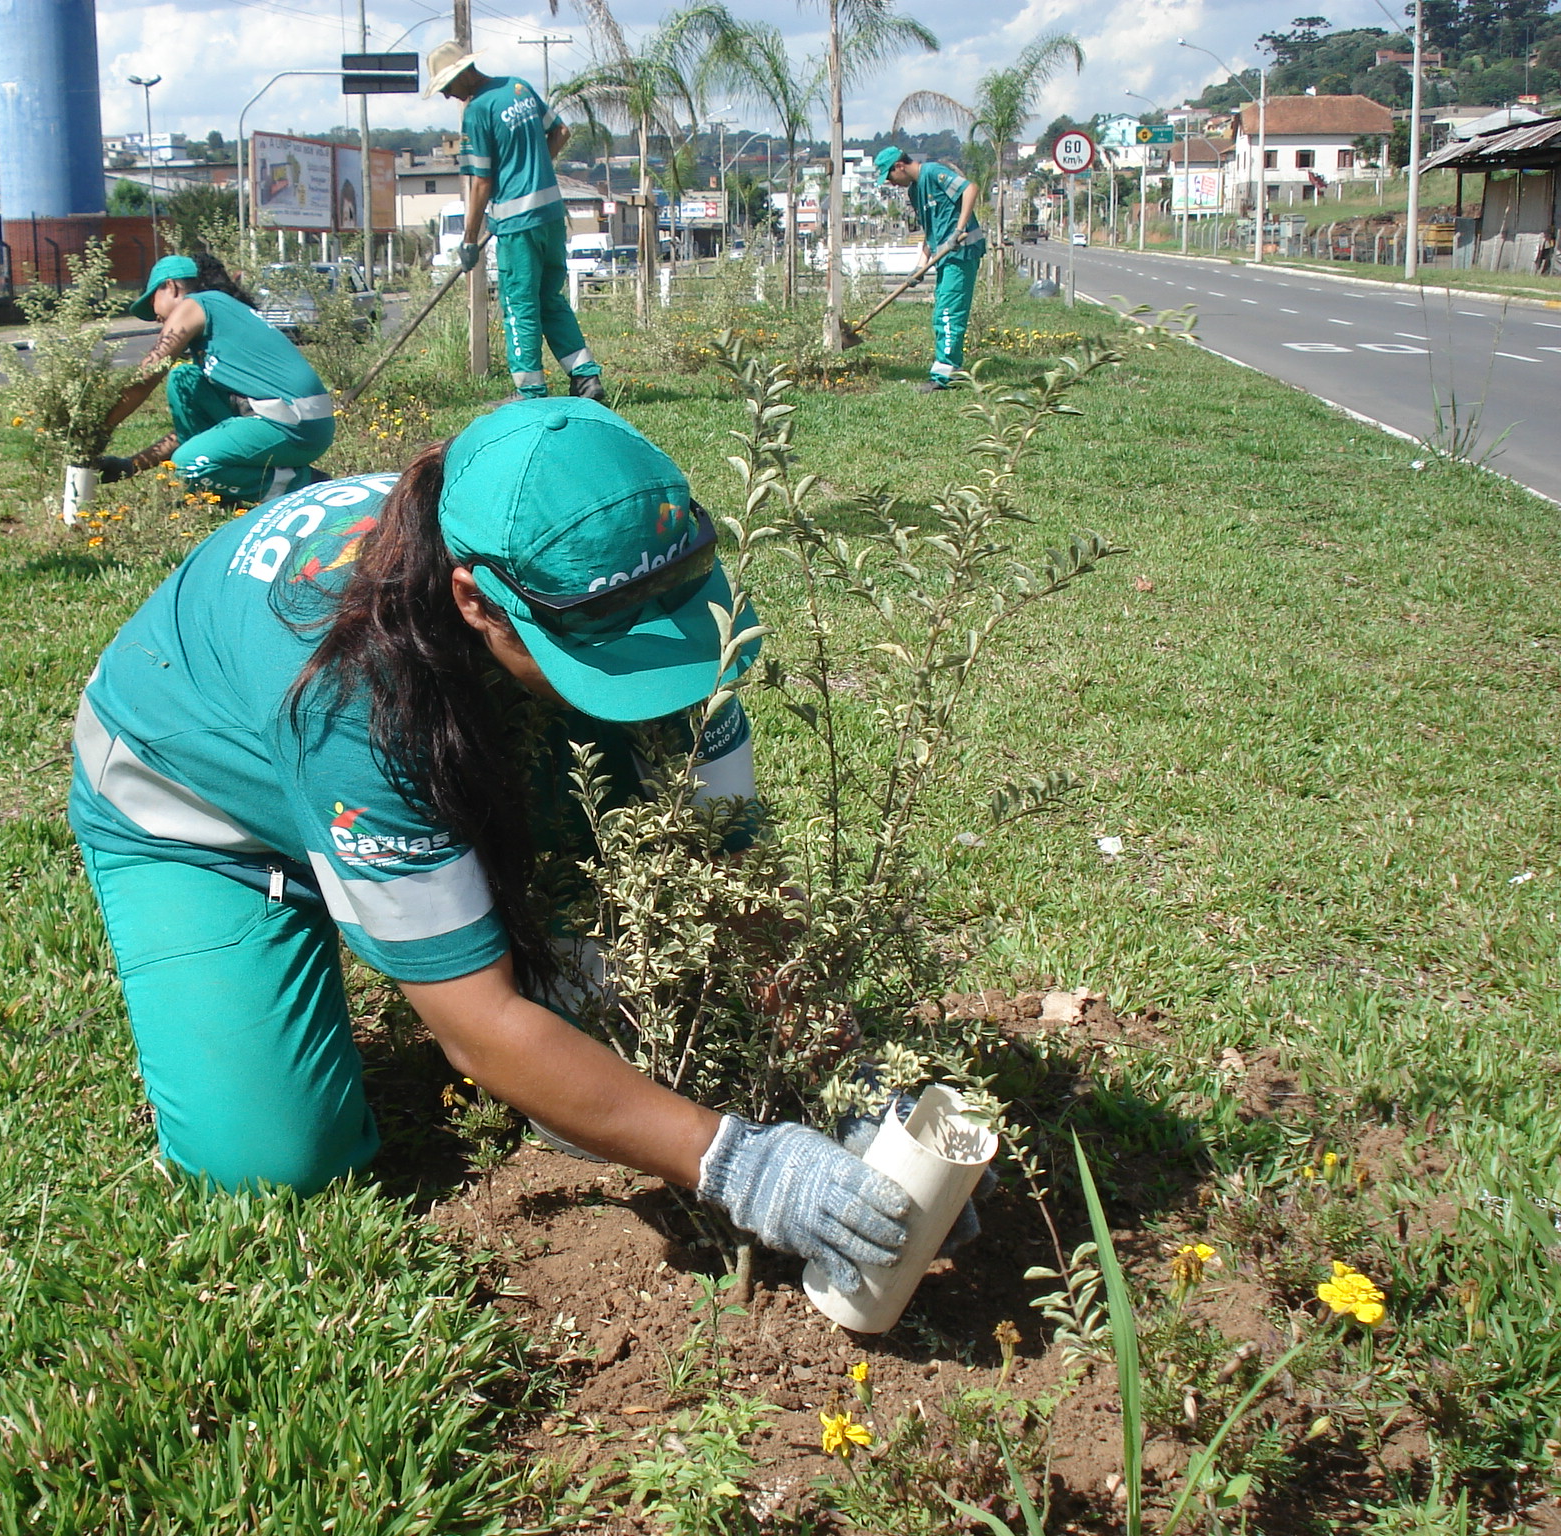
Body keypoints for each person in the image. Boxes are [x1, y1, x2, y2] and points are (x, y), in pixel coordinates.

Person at [68, 397, 927, 1296]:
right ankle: (338, 896)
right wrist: (739, 1165)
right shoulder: (350, 693)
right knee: (274, 1164)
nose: (656, 688)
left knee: (604, 1023)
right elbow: (479, 1029)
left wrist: (849, 1074)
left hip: (444, 713)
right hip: (201, 807)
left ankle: (421, 890)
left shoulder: (666, 611)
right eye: (610, 663)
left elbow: (735, 881)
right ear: (477, 601)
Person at [426, 41, 604, 403]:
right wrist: (535, 169)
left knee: (520, 305)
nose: (447, 96)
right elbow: (561, 132)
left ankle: (530, 390)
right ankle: (586, 379)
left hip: (516, 222)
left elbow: (481, 181)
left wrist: (469, 239)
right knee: (549, 299)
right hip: (551, 214)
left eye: (446, 87)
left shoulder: (476, 111)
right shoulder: (518, 87)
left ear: (461, 75)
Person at [94, 252, 333, 503]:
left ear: (171, 287)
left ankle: (305, 485)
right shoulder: (218, 318)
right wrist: (131, 465)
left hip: (296, 425)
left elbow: (146, 376)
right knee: (184, 379)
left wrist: (99, 428)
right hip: (293, 419)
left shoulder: (196, 304)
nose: (155, 316)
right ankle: (214, 494)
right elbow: (193, 434)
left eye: (152, 300)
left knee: (188, 464)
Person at [878, 147, 985, 392]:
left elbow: (970, 189)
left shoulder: (934, 172)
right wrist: (919, 266)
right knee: (941, 313)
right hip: (945, 256)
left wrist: (958, 230)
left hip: (962, 251)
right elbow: (931, 231)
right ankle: (951, 370)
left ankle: (944, 376)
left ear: (899, 166)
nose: (892, 184)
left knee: (949, 313)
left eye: (890, 177)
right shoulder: (915, 191)